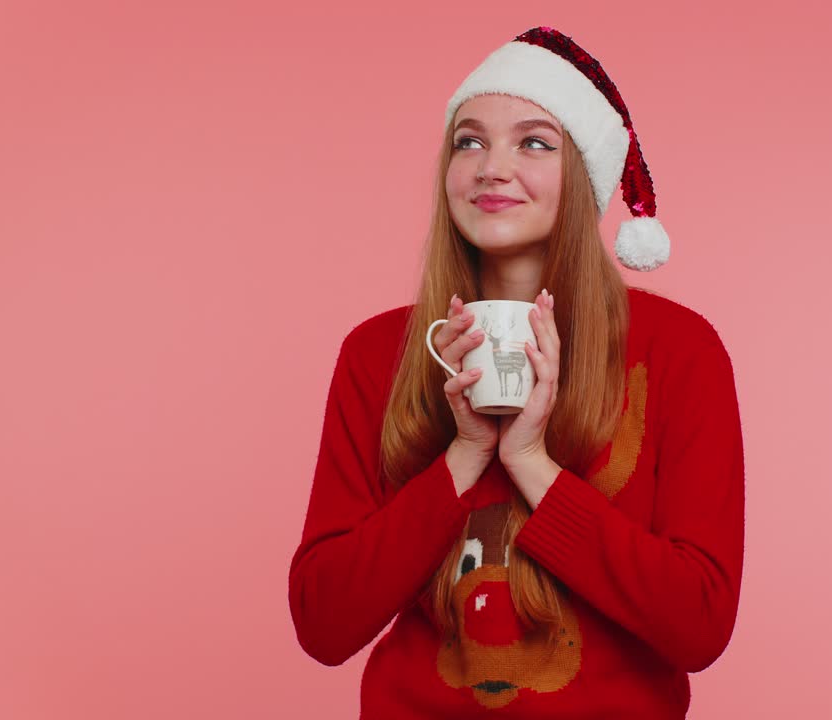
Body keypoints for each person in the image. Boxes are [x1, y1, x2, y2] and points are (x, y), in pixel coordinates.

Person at [289, 26, 745, 718]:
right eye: (469, 141)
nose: (490, 167)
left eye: (533, 142)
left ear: (585, 174)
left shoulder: (679, 350)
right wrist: (464, 455)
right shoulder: (377, 353)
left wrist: (530, 462)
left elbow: (700, 624)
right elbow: (323, 624)